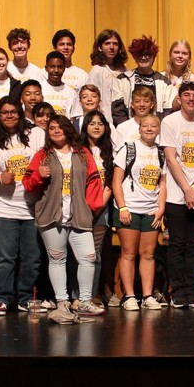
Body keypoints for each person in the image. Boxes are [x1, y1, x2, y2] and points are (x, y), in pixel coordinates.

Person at [23, 115, 104, 324]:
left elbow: (95, 182)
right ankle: (62, 303)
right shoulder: (43, 155)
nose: (56, 131)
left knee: (88, 257)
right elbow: (28, 184)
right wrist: (38, 175)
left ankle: (84, 301)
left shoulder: (83, 153)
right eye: (52, 128)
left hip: (79, 215)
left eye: (60, 127)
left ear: (68, 129)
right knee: (57, 259)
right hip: (52, 217)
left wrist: (91, 208)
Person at [0, 97, 45, 315]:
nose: (9, 116)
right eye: (4, 112)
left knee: (32, 257)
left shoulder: (36, 134)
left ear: (20, 113)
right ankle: (1, 298)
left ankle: (26, 298)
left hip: (33, 208)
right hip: (2, 207)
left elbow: (48, 159)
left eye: (13, 111)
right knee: (6, 257)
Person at [161, 82, 194, 308]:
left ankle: (192, 291)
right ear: (180, 99)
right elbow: (171, 159)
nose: (191, 99)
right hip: (176, 194)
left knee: (193, 245)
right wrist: (187, 189)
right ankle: (178, 291)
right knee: (177, 244)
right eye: (186, 95)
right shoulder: (169, 121)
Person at [112, 114, 166, 311]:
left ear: (158, 129)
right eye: (145, 126)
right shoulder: (129, 148)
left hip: (151, 210)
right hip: (130, 209)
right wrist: (123, 207)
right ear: (139, 128)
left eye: (153, 126)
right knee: (128, 253)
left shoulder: (160, 153)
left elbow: (162, 182)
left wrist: (161, 209)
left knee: (148, 254)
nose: (149, 129)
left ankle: (147, 296)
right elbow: (116, 181)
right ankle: (129, 296)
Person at [79, 111, 116, 308]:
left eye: (100, 123)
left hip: (101, 209)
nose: (96, 127)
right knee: (78, 254)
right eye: (92, 123)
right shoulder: (77, 151)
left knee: (95, 254)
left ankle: (93, 295)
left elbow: (110, 182)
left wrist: (99, 206)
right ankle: (77, 296)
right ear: (85, 127)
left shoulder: (109, 151)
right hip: (79, 208)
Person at [111, 36, 172, 123]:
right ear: (134, 57)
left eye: (147, 54)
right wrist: (128, 128)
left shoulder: (164, 82)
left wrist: (156, 128)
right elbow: (117, 111)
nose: (143, 57)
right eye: (140, 54)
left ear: (154, 57)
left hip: (156, 129)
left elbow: (168, 111)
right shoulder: (122, 79)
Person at [87, 29, 128, 125]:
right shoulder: (97, 70)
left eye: (115, 44)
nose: (111, 47)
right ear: (100, 47)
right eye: (107, 43)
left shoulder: (124, 69)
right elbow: (93, 96)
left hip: (122, 118)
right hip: (105, 118)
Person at [43, 51, 82, 118]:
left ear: (64, 69)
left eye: (59, 67)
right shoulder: (39, 89)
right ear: (46, 68)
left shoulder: (71, 92)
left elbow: (74, 117)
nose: (56, 70)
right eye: (52, 67)